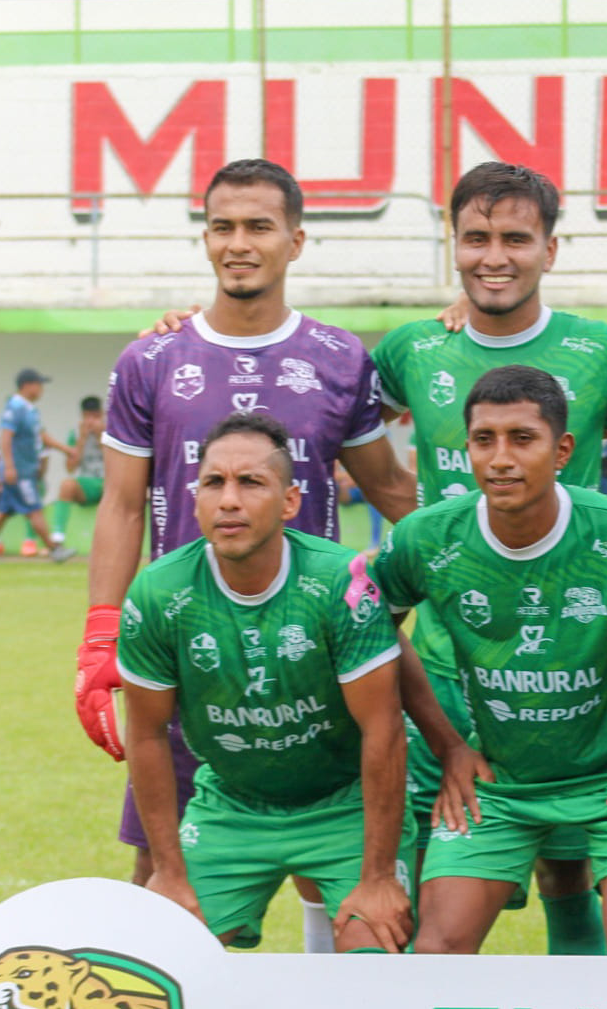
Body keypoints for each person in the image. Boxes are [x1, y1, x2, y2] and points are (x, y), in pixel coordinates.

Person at [78, 158, 416, 957]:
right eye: (223, 226)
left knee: (333, 865)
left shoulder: (340, 358)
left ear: (295, 240)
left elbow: (390, 489)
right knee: (161, 873)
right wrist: (100, 634)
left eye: (259, 226)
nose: (240, 243)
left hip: (313, 649)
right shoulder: (151, 361)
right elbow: (122, 504)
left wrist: (477, 559)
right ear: (205, 238)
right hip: (185, 650)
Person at [371, 161, 607, 955]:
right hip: (451, 664)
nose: (494, 257)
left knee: (572, 870)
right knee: (428, 892)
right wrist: (427, 531)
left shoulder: (601, 351)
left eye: (515, 239)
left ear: (551, 248)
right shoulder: (412, 348)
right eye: (475, 239)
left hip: (580, 651)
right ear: (453, 244)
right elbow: (325, 423)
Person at [116, 413, 414, 951]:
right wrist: (169, 871)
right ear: (195, 498)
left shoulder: (339, 582)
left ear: (290, 501)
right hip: (232, 805)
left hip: (345, 803)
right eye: (214, 482)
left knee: (375, 957)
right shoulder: (158, 594)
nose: (229, 500)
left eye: (251, 482)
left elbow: (384, 729)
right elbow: (146, 734)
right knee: (165, 958)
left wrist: (377, 878)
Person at [0, 369, 74, 563]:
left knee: (2, 511)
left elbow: (41, 436)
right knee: (34, 509)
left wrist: (65, 450)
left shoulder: (30, 410)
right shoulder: (15, 408)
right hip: (19, 472)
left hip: (24, 470)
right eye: (39, 384)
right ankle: (54, 550)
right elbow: (5, 437)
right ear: (27, 385)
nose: (41, 389)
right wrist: (9, 466)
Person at [52, 395, 107, 549]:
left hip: (107, 482)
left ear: (102, 414)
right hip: (86, 484)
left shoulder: (111, 431)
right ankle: (57, 539)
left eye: (96, 416)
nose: (91, 421)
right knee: (67, 485)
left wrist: (100, 438)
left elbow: (115, 463)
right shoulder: (75, 434)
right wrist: (82, 439)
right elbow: (70, 468)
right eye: (88, 417)